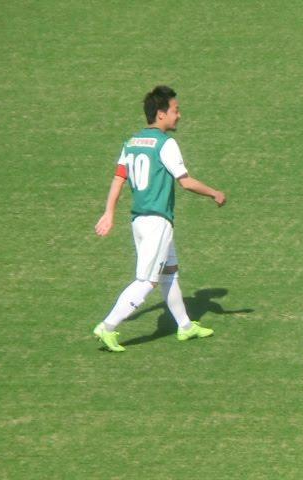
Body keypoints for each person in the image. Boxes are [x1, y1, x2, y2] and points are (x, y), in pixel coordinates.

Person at [93, 85, 226, 352]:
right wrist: (215, 193)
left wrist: (109, 212)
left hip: (139, 221)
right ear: (161, 114)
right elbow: (185, 181)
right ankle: (107, 326)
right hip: (157, 222)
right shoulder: (166, 144)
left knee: (169, 273)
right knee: (147, 281)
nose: (179, 115)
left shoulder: (131, 143)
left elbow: (119, 179)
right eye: (176, 110)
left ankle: (185, 326)